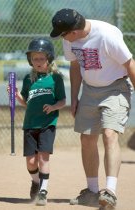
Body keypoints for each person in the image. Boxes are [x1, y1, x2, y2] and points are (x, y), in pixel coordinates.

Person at [50, 8, 135, 208]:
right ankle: (92, 191)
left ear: (74, 31)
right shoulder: (69, 39)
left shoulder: (107, 35)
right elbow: (75, 66)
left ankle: (110, 192)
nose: (62, 38)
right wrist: (74, 97)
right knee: (86, 138)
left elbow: (130, 65)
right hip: (89, 90)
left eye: (63, 33)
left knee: (109, 134)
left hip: (116, 88)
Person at [8, 38, 66, 206]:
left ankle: (43, 191)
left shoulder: (56, 79)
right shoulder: (28, 79)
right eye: (35, 58)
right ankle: (35, 181)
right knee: (31, 162)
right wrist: (16, 94)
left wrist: (54, 106)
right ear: (30, 60)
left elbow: (62, 101)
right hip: (30, 124)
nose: (38, 62)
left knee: (43, 158)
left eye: (41, 58)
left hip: (47, 124)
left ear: (49, 59)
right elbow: (26, 102)